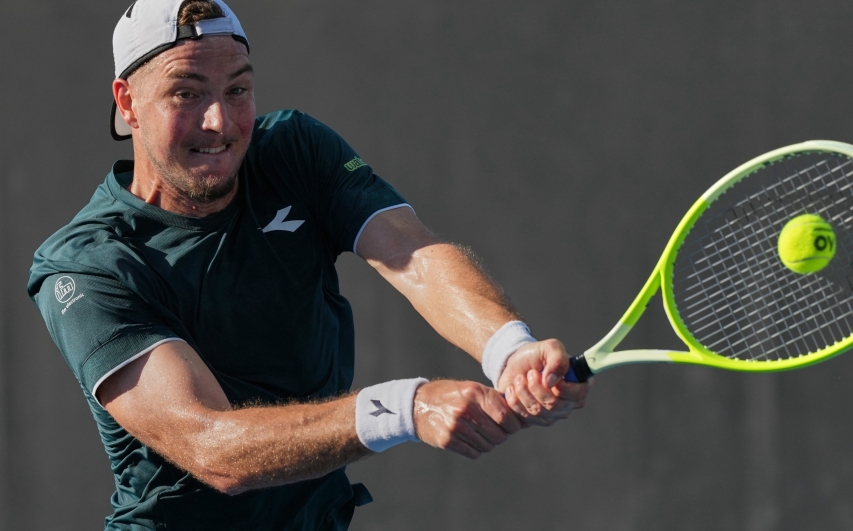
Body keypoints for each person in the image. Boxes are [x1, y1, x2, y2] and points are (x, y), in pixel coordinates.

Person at [27, 0, 590, 529]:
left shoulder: (295, 150)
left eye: (238, 89)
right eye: (186, 93)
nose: (220, 122)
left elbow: (410, 252)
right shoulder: (87, 267)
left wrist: (509, 348)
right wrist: (405, 407)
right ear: (127, 103)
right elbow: (212, 445)